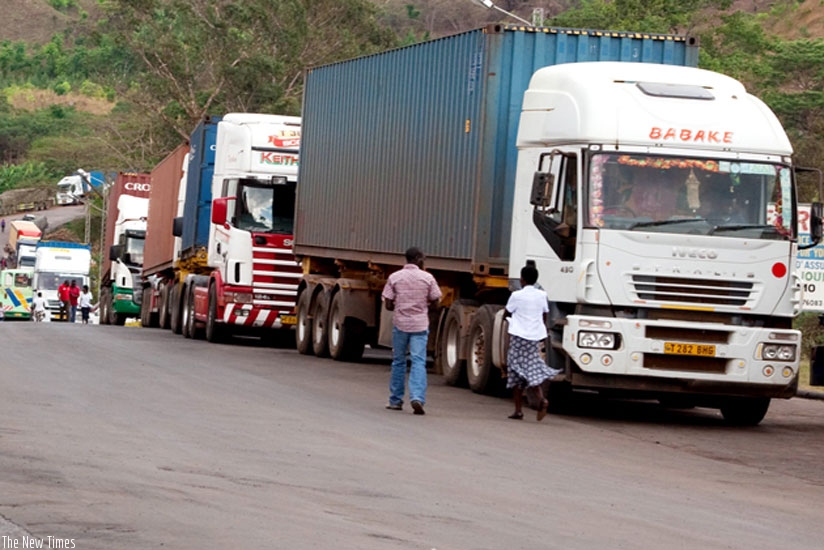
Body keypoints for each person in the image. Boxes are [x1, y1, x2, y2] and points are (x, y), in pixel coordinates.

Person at [382, 247, 442, 415]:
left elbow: (387, 304)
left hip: (400, 324)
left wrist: (401, 305)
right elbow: (436, 301)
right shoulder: (427, 278)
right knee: (418, 361)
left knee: (399, 361)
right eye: (423, 258)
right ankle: (417, 397)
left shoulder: (395, 277)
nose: (424, 261)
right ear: (417, 259)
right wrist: (425, 307)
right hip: (420, 325)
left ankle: (395, 400)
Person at [503, 264, 560, 421]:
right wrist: (541, 331)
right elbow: (544, 315)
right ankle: (542, 399)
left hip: (518, 337)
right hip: (534, 338)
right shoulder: (542, 295)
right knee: (531, 368)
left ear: (522, 279)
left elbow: (507, 312)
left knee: (515, 371)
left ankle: (518, 410)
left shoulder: (516, 295)